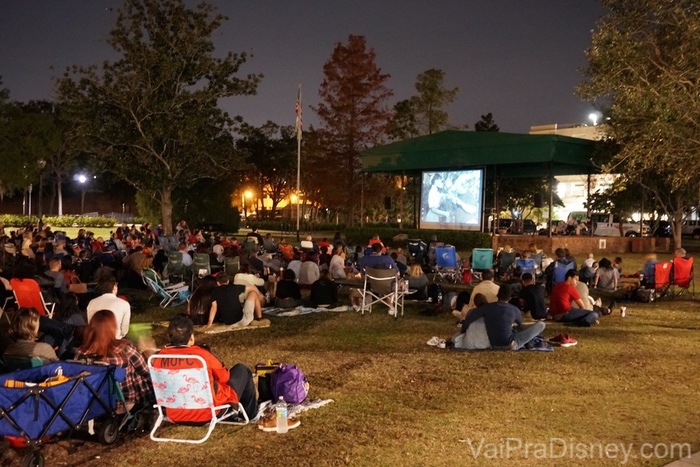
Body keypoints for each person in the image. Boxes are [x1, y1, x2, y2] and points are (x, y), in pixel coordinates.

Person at [155, 314, 258, 420]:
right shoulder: (202, 355)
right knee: (242, 370)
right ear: (191, 337)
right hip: (207, 413)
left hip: (175, 414)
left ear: (169, 337)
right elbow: (225, 378)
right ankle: (251, 414)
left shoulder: (159, 358)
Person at [74, 309, 154, 411]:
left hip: (96, 405)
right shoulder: (124, 348)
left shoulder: (81, 354)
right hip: (126, 404)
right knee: (138, 371)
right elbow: (146, 372)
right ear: (113, 327)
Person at [460, 285, 546, 350]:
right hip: (510, 345)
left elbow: (469, 318)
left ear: (497, 295)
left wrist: (463, 331)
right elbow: (521, 327)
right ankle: (529, 342)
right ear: (510, 298)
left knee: (513, 330)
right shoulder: (514, 309)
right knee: (541, 325)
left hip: (493, 344)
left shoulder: (487, 308)